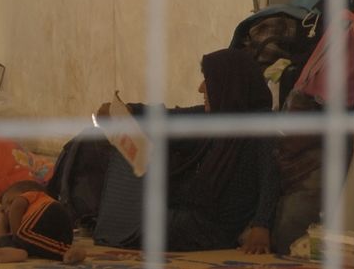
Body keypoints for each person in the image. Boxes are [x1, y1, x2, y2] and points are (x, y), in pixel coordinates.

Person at [94, 48, 280, 254]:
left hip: (209, 230)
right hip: (184, 216)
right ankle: (112, 222)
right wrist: (127, 110)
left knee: (132, 216)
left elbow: (270, 177)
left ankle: (114, 225)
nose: (201, 89)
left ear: (228, 84)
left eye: (207, 80)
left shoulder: (262, 125)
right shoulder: (213, 117)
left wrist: (261, 226)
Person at [0, 180, 86, 264]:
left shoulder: (32, 198)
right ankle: (71, 253)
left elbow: (17, 206)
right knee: (4, 242)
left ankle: (65, 251)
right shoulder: (29, 228)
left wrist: (17, 237)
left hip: (50, 211)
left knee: (21, 235)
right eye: (5, 208)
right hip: (59, 236)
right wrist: (3, 218)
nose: (7, 210)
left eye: (9, 202)